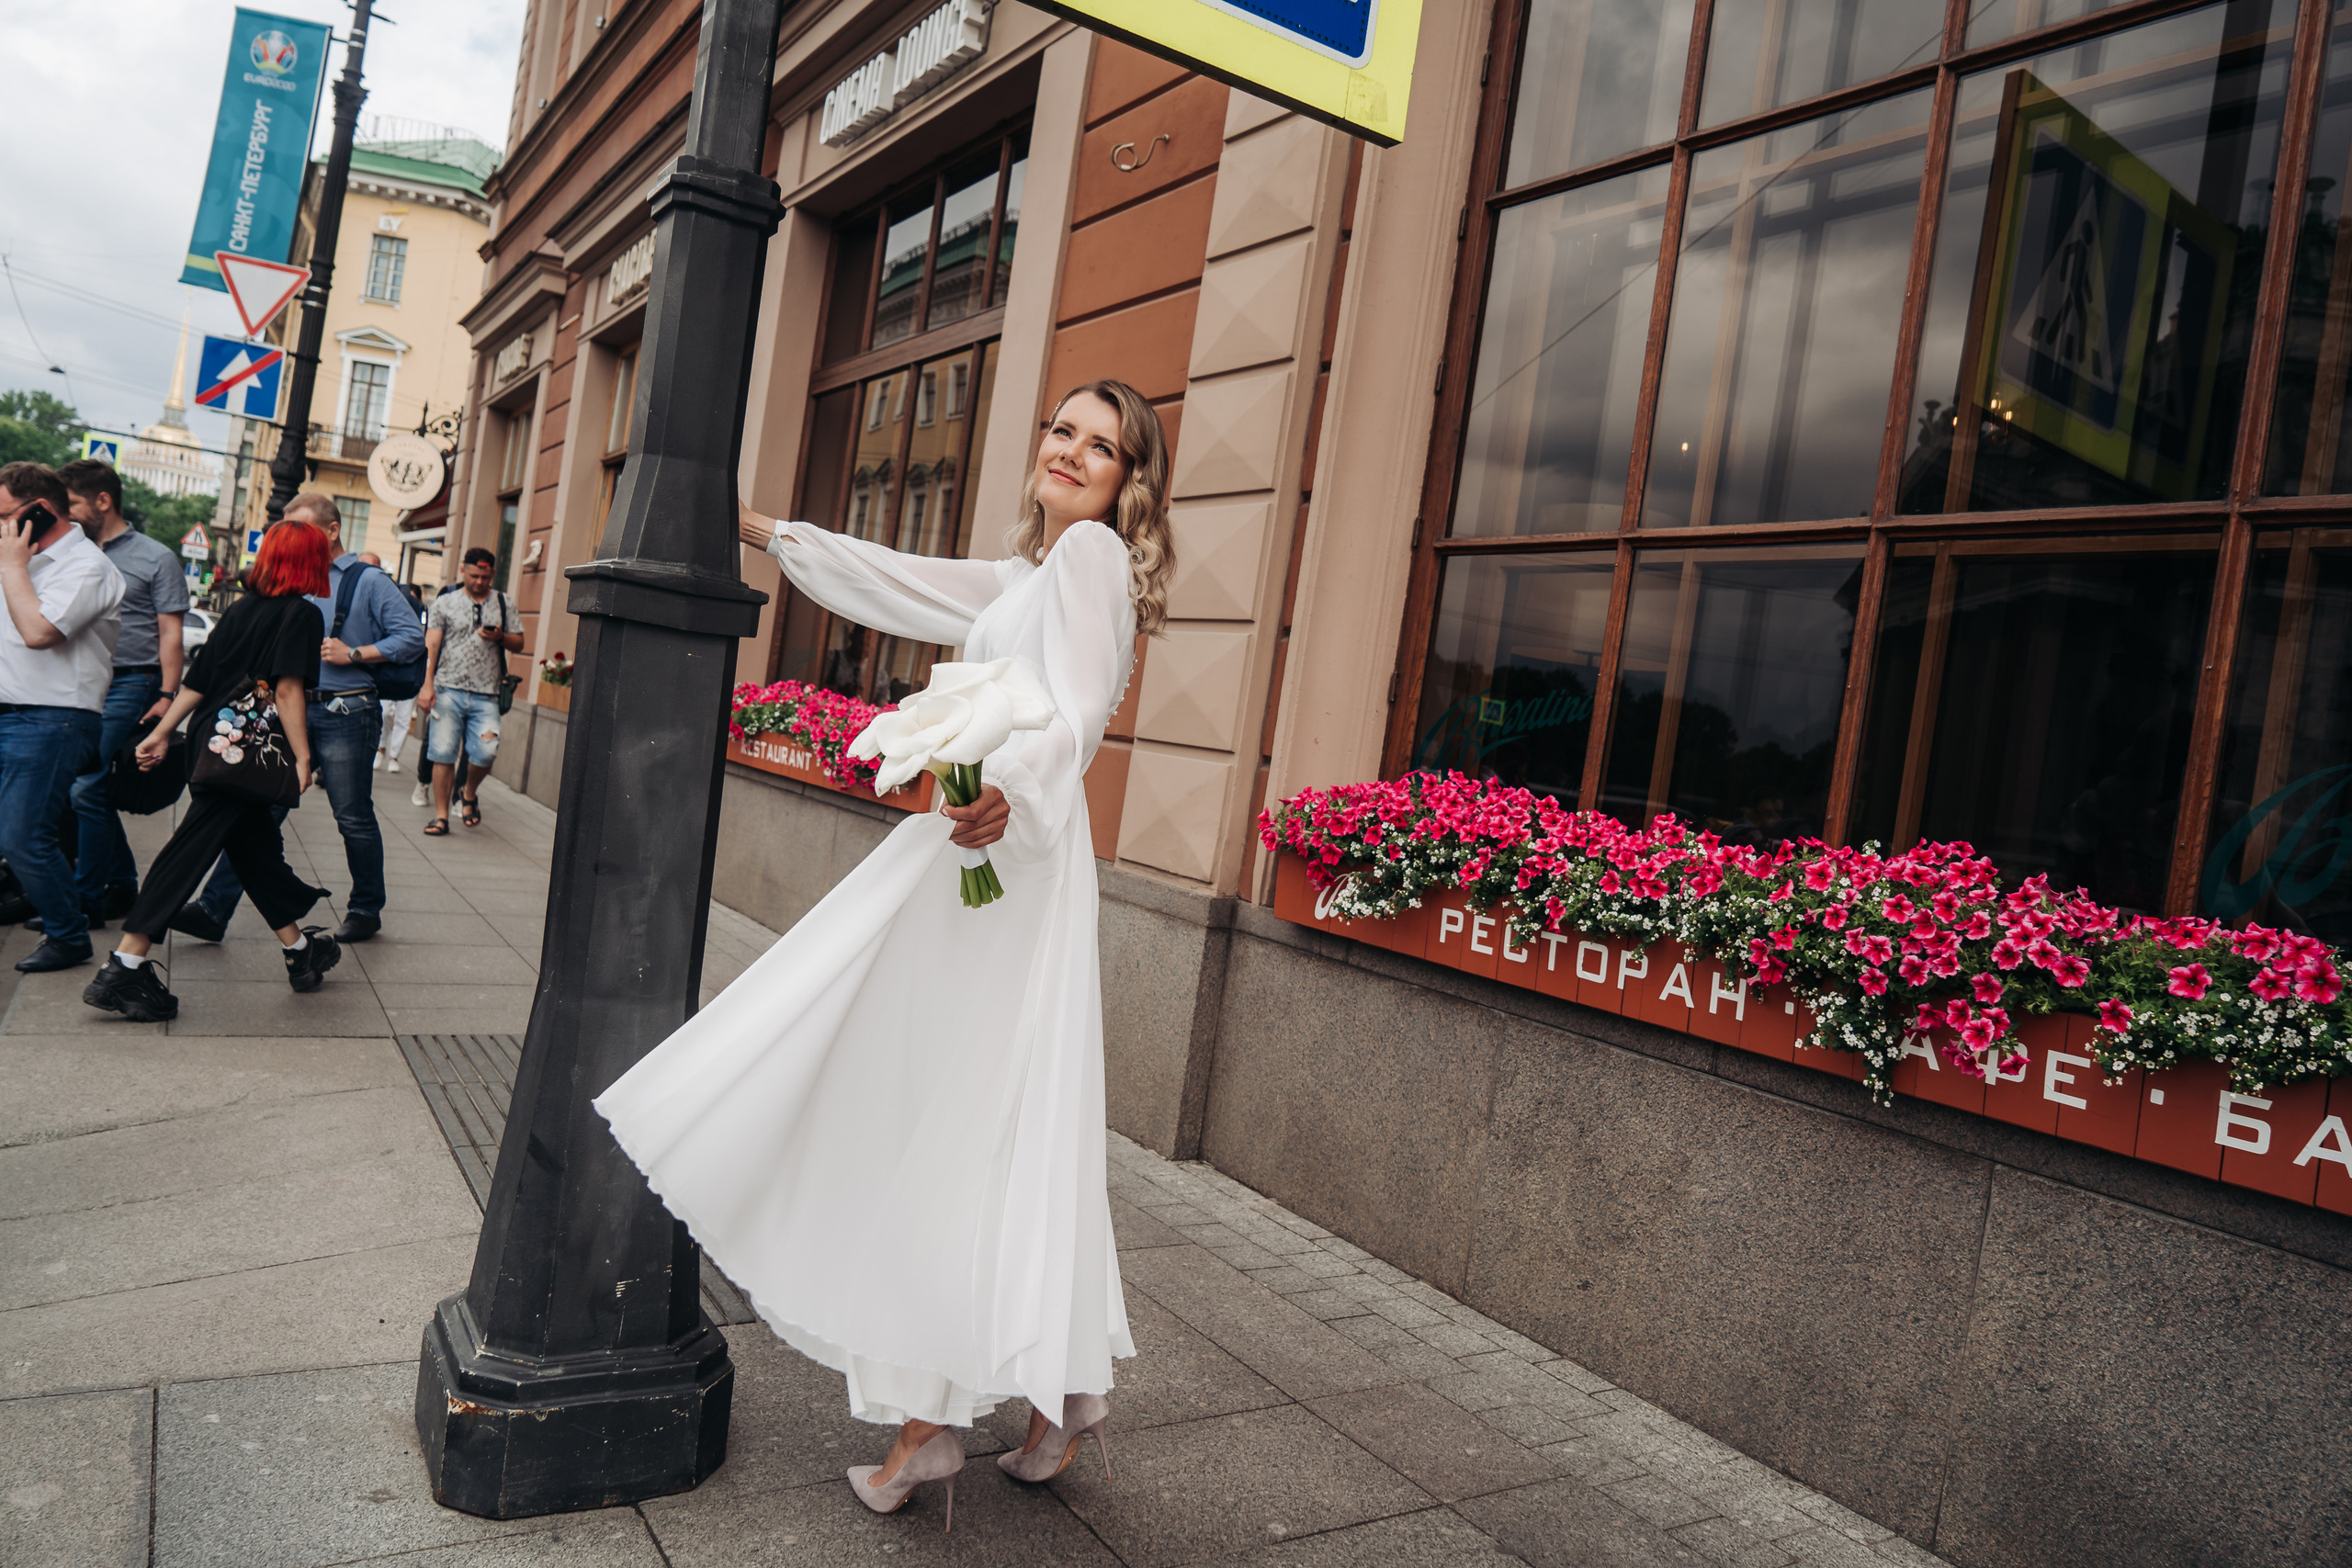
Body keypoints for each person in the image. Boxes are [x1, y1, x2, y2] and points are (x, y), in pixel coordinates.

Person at [593, 380, 1174, 1529]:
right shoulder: (1028, 571)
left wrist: (1004, 792)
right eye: (1061, 429)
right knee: (997, 1113)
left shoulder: (1092, 554)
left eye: (1099, 446)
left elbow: (1073, 716)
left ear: (1126, 484)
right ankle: (1060, 1397)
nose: (1069, 451)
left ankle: (926, 1425)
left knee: (952, 1112)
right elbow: (899, 581)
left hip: (1006, 847)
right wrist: (760, 529)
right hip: (985, 847)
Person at [84, 522, 341, 1021]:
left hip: (213, 741)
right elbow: (287, 690)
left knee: (253, 849)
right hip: (246, 752)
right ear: (309, 561)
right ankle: (123, 966)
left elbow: (198, 681)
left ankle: (300, 951)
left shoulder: (241, 609)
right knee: (190, 850)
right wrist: (303, 756)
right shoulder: (302, 614)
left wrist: (164, 732)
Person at [169, 493, 422, 944]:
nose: (293, 538)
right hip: (287, 710)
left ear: (332, 530)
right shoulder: (293, 581)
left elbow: (411, 638)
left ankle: (365, 908)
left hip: (348, 711)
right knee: (256, 812)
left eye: (303, 528)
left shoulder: (368, 581)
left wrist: (356, 653)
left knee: (351, 815)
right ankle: (213, 909)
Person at [0, 461, 124, 973]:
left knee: (23, 836)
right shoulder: (19, 558)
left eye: (3, 515)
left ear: (38, 511)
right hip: (13, 711)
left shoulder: (88, 567)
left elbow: (39, 632)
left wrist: (12, 567)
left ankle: (69, 934)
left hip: (53, 717)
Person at [58, 458, 187, 924]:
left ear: (103, 501)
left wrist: (167, 697)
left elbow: (170, 634)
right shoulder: (69, 550)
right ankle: (121, 883)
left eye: (71, 503)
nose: (64, 512)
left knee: (86, 785)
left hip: (132, 681)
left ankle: (87, 899)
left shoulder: (156, 557)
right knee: (81, 788)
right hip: (80, 681)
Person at [416, 547, 521, 833]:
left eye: (485, 577)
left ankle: (468, 791)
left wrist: (501, 636)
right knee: (443, 752)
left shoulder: (504, 602)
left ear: (493, 574)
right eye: (474, 575)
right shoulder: (445, 602)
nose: (479, 582)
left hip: (487, 693)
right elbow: (431, 646)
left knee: (486, 752)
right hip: (447, 688)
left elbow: (519, 643)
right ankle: (441, 816)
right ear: (463, 570)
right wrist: (426, 684)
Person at [356, 553, 421, 773]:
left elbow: (417, 637)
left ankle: (394, 755)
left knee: (403, 716)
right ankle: (381, 749)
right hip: (378, 668)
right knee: (384, 712)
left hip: (404, 667)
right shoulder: (359, 593)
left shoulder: (391, 594)